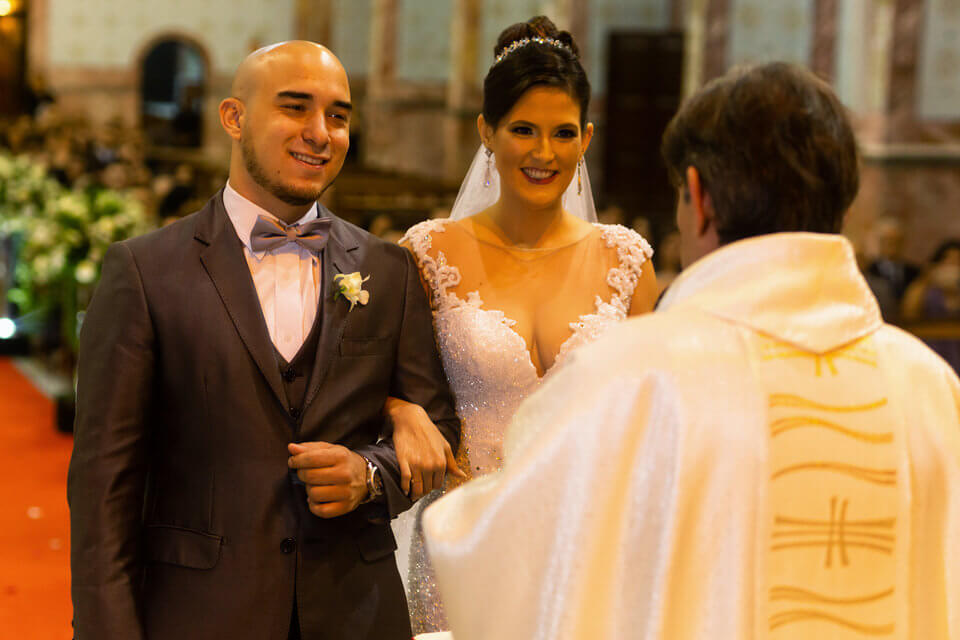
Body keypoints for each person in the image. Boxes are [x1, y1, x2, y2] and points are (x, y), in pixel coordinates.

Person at [422, 62, 960, 639]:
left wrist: (452, 516)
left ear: (698, 198)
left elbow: (505, 549)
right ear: (845, 204)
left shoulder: (635, 375)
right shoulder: (931, 387)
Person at [67, 41, 459, 640]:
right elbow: (104, 488)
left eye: (338, 115)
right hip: (199, 614)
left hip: (355, 612)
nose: (319, 133)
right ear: (234, 116)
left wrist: (369, 473)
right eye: (295, 107)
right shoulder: (145, 273)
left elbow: (438, 429)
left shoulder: (389, 269)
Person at [390, 16, 658, 634]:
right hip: (464, 539)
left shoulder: (627, 261)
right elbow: (380, 378)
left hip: (592, 543)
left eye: (564, 133)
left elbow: (656, 412)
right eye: (524, 130)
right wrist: (401, 410)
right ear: (487, 131)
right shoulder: (427, 253)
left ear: (587, 138)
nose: (544, 154)